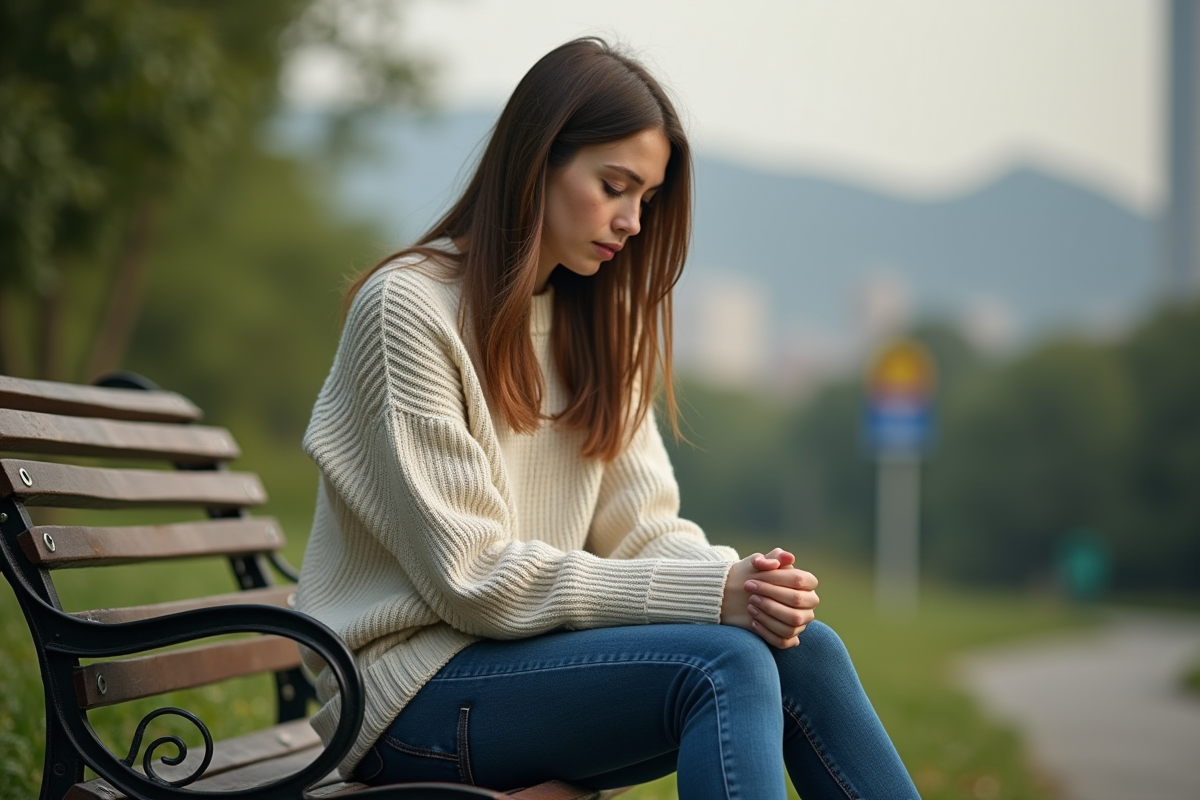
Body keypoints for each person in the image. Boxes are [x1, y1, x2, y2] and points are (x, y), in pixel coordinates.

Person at [296, 37, 920, 800]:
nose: (630, 221)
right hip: (401, 697)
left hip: (517, 674)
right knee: (725, 665)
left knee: (804, 650)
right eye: (615, 185)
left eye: (646, 200)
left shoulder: (593, 325)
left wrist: (743, 585)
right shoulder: (407, 310)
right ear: (538, 162)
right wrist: (710, 598)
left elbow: (644, 530)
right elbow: (474, 578)